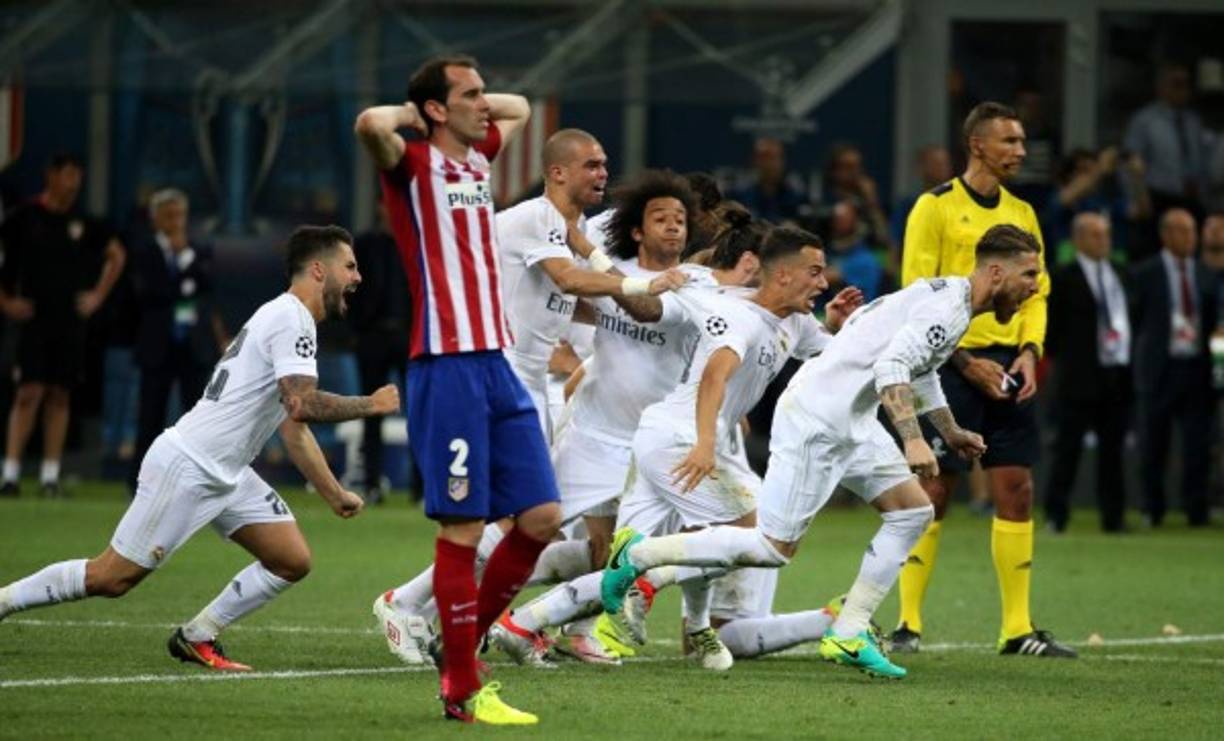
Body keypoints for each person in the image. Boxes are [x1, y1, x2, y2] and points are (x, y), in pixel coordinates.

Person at [600, 225, 1043, 679]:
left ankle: (849, 632)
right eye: (1029, 274)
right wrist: (913, 439)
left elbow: (918, 365)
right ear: (995, 271)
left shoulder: (952, 302)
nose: (1035, 286)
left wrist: (948, 431)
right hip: (818, 418)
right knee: (770, 549)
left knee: (913, 511)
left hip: (853, 418)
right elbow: (894, 367)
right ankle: (639, 557)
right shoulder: (947, 308)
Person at [0, 225, 399, 670]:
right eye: (350, 266)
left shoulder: (287, 317)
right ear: (320, 270)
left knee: (291, 560)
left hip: (228, 472)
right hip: (189, 465)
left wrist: (334, 493)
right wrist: (372, 404)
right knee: (111, 577)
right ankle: (4, 601)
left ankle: (198, 635)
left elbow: (292, 428)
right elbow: (303, 405)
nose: (358, 277)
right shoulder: (292, 319)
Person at [354, 54, 560, 726]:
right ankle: (464, 686)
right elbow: (367, 123)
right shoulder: (411, 165)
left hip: (495, 364)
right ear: (436, 110)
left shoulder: (476, 159)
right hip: (444, 366)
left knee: (539, 520)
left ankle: (459, 646)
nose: (486, 104)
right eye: (469, 95)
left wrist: (459, 102)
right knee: (465, 528)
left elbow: (521, 104)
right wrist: (417, 115)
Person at [889, 102, 1074, 659]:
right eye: (1010, 142)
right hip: (946, 362)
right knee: (934, 489)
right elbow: (916, 291)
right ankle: (907, 625)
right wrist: (965, 362)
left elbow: (1037, 290)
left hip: (1009, 365)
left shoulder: (1023, 212)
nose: (1020, 151)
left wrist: (1029, 351)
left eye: (1022, 142)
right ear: (978, 145)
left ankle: (1016, 629)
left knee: (1016, 488)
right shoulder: (936, 206)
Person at [0, 153, 126, 497]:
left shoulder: (83, 223)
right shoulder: (24, 217)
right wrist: (6, 300)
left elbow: (116, 255)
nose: (73, 182)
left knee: (60, 395)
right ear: (51, 175)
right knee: (28, 392)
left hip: (69, 321)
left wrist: (98, 296)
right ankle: (9, 474)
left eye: (77, 175)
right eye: (68, 174)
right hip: (32, 318)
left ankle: (50, 476)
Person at [128, 188, 228, 494]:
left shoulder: (199, 251)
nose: (175, 222)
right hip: (157, 345)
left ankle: (192, 481)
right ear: (155, 219)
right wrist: (183, 274)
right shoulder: (144, 252)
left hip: (194, 346)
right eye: (169, 215)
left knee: (195, 417)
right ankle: (141, 482)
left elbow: (208, 293)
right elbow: (149, 293)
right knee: (150, 416)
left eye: (180, 215)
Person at [1042, 213, 1132, 533]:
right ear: (1078, 239)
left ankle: (1113, 517)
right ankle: (1056, 514)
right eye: (1096, 235)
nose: (1103, 241)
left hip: (1115, 374)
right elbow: (1051, 330)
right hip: (1077, 377)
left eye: (1106, 235)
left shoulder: (1121, 273)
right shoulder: (1063, 277)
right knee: (1068, 449)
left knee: (1113, 451)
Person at [1129, 209, 1217, 527]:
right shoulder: (1144, 273)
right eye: (1183, 231)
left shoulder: (1206, 274)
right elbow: (1134, 322)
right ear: (1165, 235)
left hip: (1196, 368)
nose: (1190, 238)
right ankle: (1153, 508)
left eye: (1193, 231)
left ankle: (1196, 509)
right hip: (1158, 370)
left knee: (1198, 444)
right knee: (1154, 444)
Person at [346, 203, 413, 503]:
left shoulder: (415, 242)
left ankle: (421, 489)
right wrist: (357, 329)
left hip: (409, 338)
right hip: (373, 338)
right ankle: (372, 484)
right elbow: (350, 289)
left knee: (420, 414)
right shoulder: (364, 245)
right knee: (372, 411)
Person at [1124, 63, 1211, 222]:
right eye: (1177, 84)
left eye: (1186, 84)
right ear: (1161, 87)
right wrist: (1136, 200)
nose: (1183, 90)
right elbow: (1129, 162)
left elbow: (1201, 160)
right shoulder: (1145, 121)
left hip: (1193, 198)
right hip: (1159, 199)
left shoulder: (1193, 121)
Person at [730, 137, 808, 224]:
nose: (768, 164)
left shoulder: (796, 196)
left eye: (773, 158)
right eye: (763, 158)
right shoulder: (740, 195)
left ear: (783, 161)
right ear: (754, 161)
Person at [891, 146, 953, 246]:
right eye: (936, 164)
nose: (943, 168)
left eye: (946, 164)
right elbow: (895, 241)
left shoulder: (959, 203)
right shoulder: (908, 204)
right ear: (922, 167)